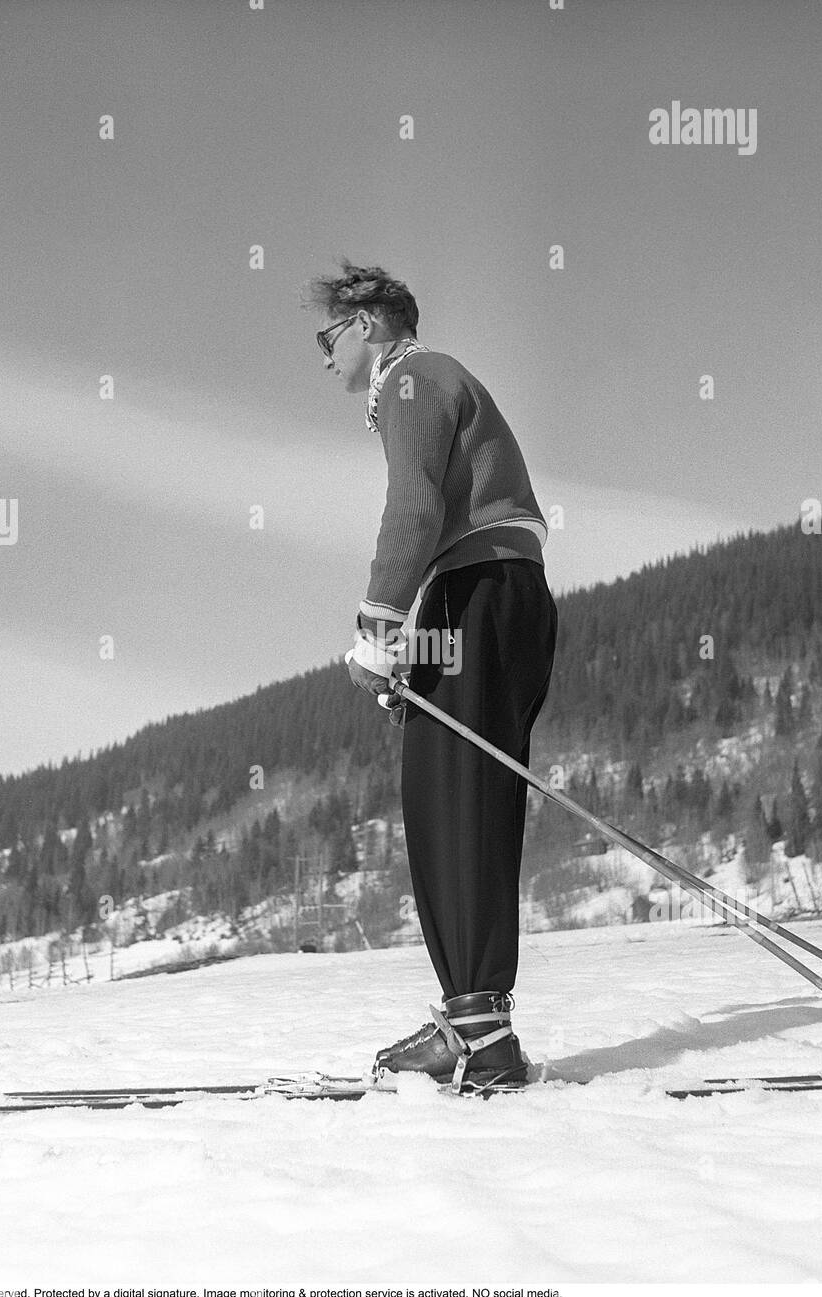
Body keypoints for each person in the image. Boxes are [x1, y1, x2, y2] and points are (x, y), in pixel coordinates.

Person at [305, 260, 557, 1091]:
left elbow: (413, 510)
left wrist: (377, 628)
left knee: (449, 802)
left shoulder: (412, 379)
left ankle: (479, 1033)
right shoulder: (429, 382)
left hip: (474, 593)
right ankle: (477, 1021)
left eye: (328, 335)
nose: (323, 353)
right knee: (461, 795)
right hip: (497, 594)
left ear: (370, 322)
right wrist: (416, 651)